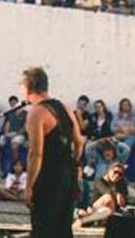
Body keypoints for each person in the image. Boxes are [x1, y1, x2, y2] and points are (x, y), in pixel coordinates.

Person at [22, 67, 84, 238]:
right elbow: (79, 142)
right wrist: (74, 167)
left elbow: (36, 153)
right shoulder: (65, 108)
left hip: (48, 178)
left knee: (44, 228)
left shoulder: (37, 112)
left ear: (28, 87)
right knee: (63, 229)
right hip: (67, 176)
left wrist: (29, 187)